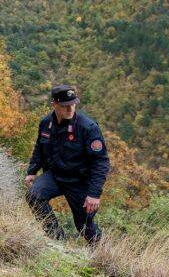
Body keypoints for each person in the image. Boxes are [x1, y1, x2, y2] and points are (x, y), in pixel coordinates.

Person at [24, 85, 110, 243]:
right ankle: (57, 242)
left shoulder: (88, 127)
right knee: (34, 196)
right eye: (65, 105)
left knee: (84, 227)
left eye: (73, 103)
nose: (70, 108)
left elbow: (101, 163)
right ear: (54, 104)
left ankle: (104, 254)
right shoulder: (46, 124)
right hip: (55, 176)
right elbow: (39, 148)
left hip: (79, 181)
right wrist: (32, 171)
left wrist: (94, 194)